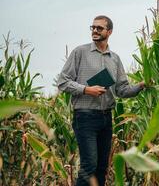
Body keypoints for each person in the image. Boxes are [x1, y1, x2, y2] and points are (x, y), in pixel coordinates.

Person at [57, 15, 144, 186]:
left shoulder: (115, 59)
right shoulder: (80, 52)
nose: (95, 31)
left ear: (109, 32)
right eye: (93, 27)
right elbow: (63, 82)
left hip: (106, 118)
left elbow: (122, 90)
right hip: (85, 117)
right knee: (89, 166)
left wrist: (140, 86)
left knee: (102, 168)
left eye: (99, 28)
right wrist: (86, 89)